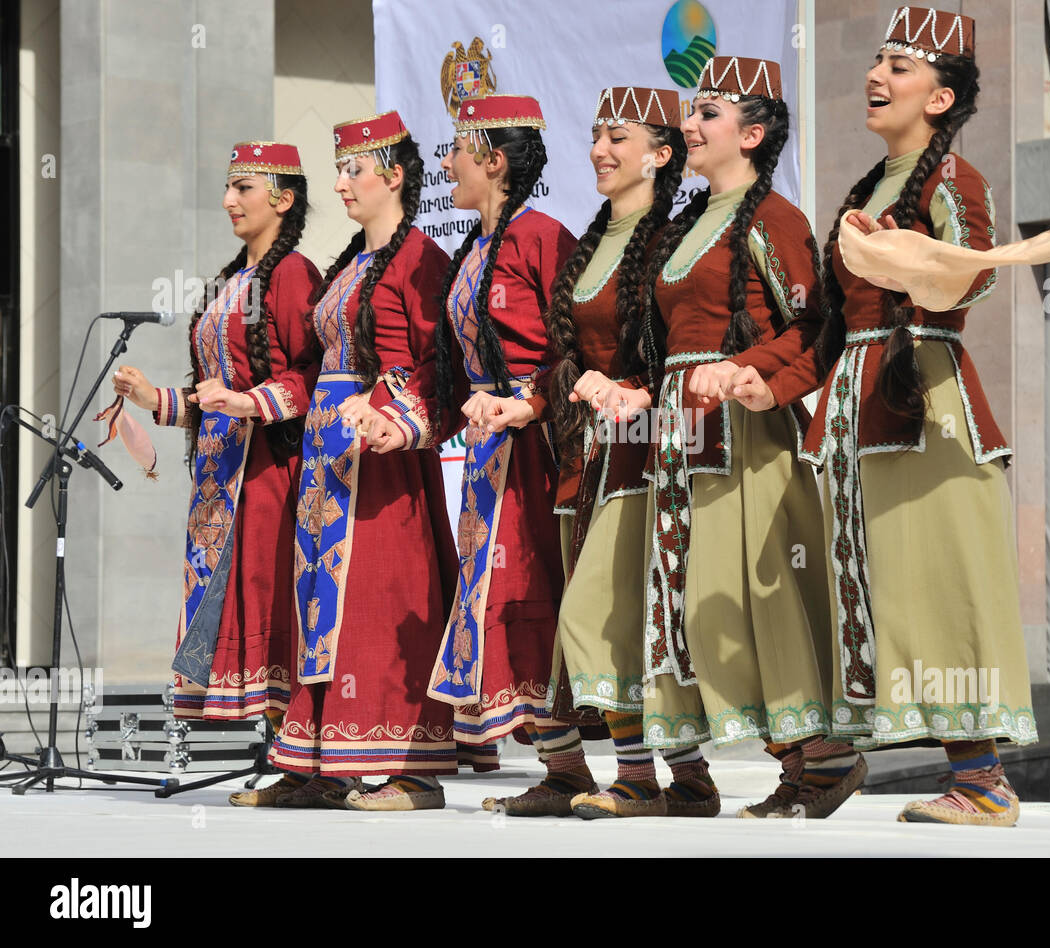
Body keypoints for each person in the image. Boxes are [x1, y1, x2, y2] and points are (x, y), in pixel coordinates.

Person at [779, 7, 1037, 826]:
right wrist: (769, 384)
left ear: (940, 96)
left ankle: (985, 781)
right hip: (858, 401)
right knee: (888, 587)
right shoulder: (866, 188)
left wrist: (920, 266)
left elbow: (979, 278)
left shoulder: (953, 179)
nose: (877, 74)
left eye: (900, 63)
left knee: (944, 577)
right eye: (878, 59)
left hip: (922, 396)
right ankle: (873, 764)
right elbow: (829, 324)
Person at [203, 111, 487, 810]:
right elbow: (311, 366)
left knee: (381, 601)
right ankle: (317, 763)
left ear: (392, 176)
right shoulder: (351, 265)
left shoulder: (423, 260)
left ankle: (412, 768)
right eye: (338, 170)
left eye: (352, 170)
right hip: (328, 465)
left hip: (382, 465)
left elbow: (436, 369)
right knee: (320, 609)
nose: (339, 184)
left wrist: (395, 416)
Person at [636, 56, 866, 819]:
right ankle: (795, 759)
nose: (690, 125)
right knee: (697, 608)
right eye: (690, 113)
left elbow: (814, 323)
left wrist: (748, 368)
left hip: (746, 426)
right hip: (679, 428)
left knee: (751, 598)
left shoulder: (776, 219)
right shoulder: (685, 225)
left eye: (708, 114)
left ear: (754, 133)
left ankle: (819, 758)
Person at [360, 95, 591, 816]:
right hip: (491, 460)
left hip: (537, 452)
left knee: (536, 597)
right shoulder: (475, 252)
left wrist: (531, 403)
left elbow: (577, 349)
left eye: (459, 147)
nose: (446, 161)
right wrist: (407, 421)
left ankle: (596, 768)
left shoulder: (541, 237)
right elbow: (449, 371)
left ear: (494, 161)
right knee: (501, 602)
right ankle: (564, 771)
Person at [113, 142, 321, 807]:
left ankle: (300, 764)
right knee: (232, 603)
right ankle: (285, 761)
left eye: (244, 187)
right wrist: (156, 401)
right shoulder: (234, 280)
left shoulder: (294, 275)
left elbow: (310, 374)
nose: (230, 200)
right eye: (228, 187)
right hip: (218, 480)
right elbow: (213, 398)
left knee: (269, 605)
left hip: (269, 474)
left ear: (283, 199)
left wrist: (252, 403)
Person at [538, 86, 720, 818]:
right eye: (594, 134)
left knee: (612, 617)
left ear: (660, 153)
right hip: (595, 455)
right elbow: (567, 355)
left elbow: (682, 347)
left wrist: (633, 387)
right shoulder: (592, 241)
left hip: (649, 452)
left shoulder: (672, 240)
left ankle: (650, 777)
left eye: (618, 135)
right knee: (612, 620)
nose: (600, 149)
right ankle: (678, 779)